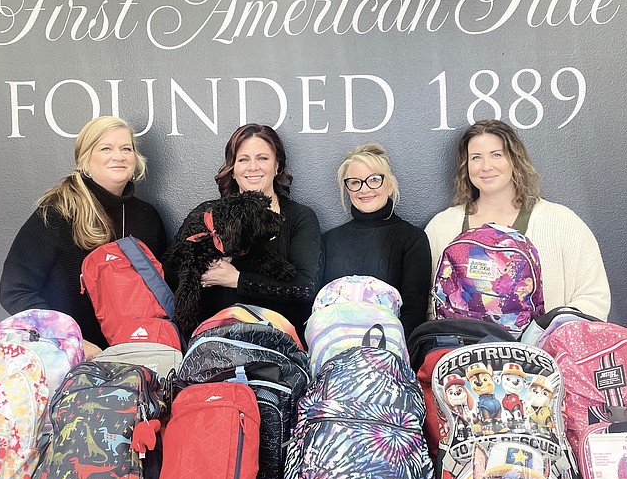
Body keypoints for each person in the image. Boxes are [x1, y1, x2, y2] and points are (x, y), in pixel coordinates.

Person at [0, 116, 168, 358]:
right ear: (85, 159)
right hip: (73, 361)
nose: (118, 156)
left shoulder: (148, 217)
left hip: (137, 356)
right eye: (106, 148)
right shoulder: (58, 212)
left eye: (126, 149)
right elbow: (14, 290)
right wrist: (69, 339)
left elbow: (162, 293)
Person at [425, 119, 610, 320]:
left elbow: (593, 298)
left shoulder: (562, 223)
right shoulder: (442, 228)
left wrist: (546, 337)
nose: (486, 166)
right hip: (463, 349)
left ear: (515, 159)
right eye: (476, 157)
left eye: (496, 155)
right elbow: (428, 306)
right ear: (465, 165)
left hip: (546, 349)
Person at [164, 123, 322, 341]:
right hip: (213, 344)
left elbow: (305, 288)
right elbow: (169, 271)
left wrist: (237, 279)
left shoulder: (299, 217)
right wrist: (204, 265)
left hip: (278, 345)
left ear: (277, 166)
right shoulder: (206, 214)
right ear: (233, 169)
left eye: (263, 158)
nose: (253, 167)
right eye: (243, 159)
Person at [321, 143, 431, 339]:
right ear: (348, 189)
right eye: (355, 182)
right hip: (334, 352)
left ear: (390, 185)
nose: (364, 189)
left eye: (374, 179)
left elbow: (414, 311)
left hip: (389, 355)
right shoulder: (329, 240)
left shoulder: (413, 239)